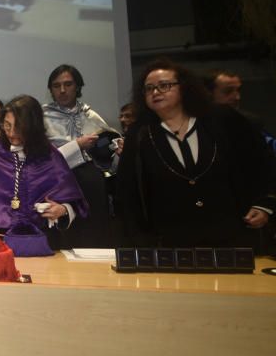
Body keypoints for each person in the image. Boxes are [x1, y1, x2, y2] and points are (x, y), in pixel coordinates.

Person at [117, 58, 275, 249]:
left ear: (184, 88)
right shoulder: (139, 134)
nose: (155, 92)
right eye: (149, 88)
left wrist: (264, 204)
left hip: (231, 237)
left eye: (164, 85)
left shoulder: (222, 120)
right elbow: (129, 191)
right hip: (170, 242)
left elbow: (260, 163)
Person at [0, 95, 87, 245]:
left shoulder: (49, 156)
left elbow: (73, 200)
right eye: (7, 125)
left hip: (40, 242)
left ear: (32, 126)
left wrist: (63, 209)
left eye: (18, 127)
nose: (11, 133)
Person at [42, 64, 120, 247]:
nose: (62, 90)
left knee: (94, 239)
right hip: (57, 184)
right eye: (56, 85)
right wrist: (77, 145)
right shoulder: (42, 117)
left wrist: (117, 151)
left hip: (91, 185)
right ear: (51, 90)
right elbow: (40, 160)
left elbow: (107, 159)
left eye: (68, 84)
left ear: (77, 87)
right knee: (64, 241)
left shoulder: (90, 115)